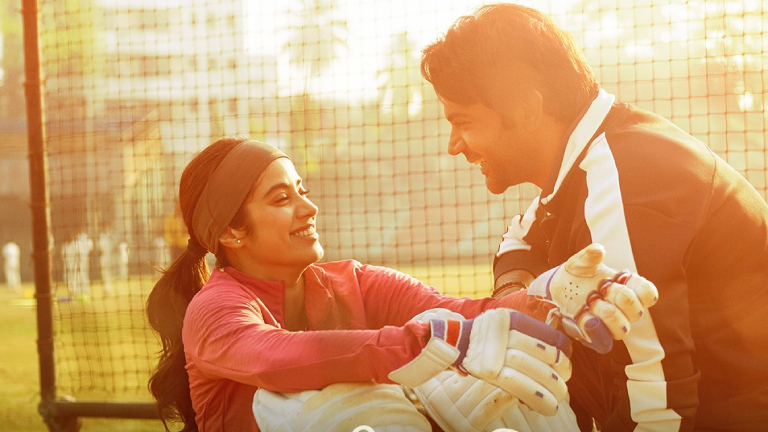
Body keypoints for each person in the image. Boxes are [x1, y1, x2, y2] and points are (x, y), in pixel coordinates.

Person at [145, 137, 654, 432]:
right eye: (281, 199)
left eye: (303, 190)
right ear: (231, 231)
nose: (309, 207)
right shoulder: (215, 309)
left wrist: (550, 292)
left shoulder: (354, 282)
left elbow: (458, 311)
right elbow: (279, 358)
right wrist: (431, 345)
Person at [420, 4, 768, 432]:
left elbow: (660, 405)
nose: (455, 144)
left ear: (528, 109)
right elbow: (519, 240)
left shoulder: (621, 178)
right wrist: (515, 301)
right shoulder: (592, 157)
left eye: (463, 121)